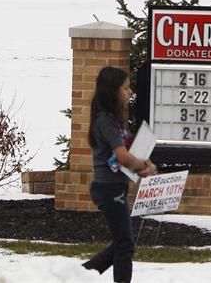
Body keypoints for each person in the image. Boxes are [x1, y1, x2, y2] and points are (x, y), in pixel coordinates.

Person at [82, 66, 156, 283]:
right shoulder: (104, 121)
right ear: (113, 91)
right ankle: (79, 276)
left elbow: (131, 151)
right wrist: (140, 165)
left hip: (116, 187)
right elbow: (123, 157)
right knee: (125, 244)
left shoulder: (116, 121)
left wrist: (148, 166)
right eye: (126, 88)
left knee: (122, 243)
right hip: (107, 188)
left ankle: (77, 276)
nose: (130, 92)